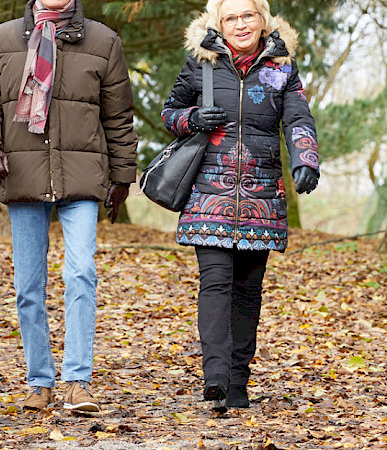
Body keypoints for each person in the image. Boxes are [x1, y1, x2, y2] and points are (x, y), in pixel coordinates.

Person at [0, 0, 138, 412]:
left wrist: (123, 177)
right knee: (29, 286)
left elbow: (118, 117)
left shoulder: (104, 40)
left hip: (81, 176)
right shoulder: (2, 38)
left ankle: (78, 381)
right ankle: (39, 382)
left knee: (81, 273)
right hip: (21, 173)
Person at [159, 0, 321, 413]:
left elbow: (298, 118)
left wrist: (306, 159)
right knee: (215, 284)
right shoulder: (201, 64)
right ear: (219, 23)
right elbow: (170, 112)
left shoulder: (282, 67)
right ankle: (215, 379)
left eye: (248, 15)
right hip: (208, 195)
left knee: (248, 294)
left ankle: (237, 383)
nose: (241, 24)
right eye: (231, 17)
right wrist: (193, 118)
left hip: (261, 196)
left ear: (263, 19)